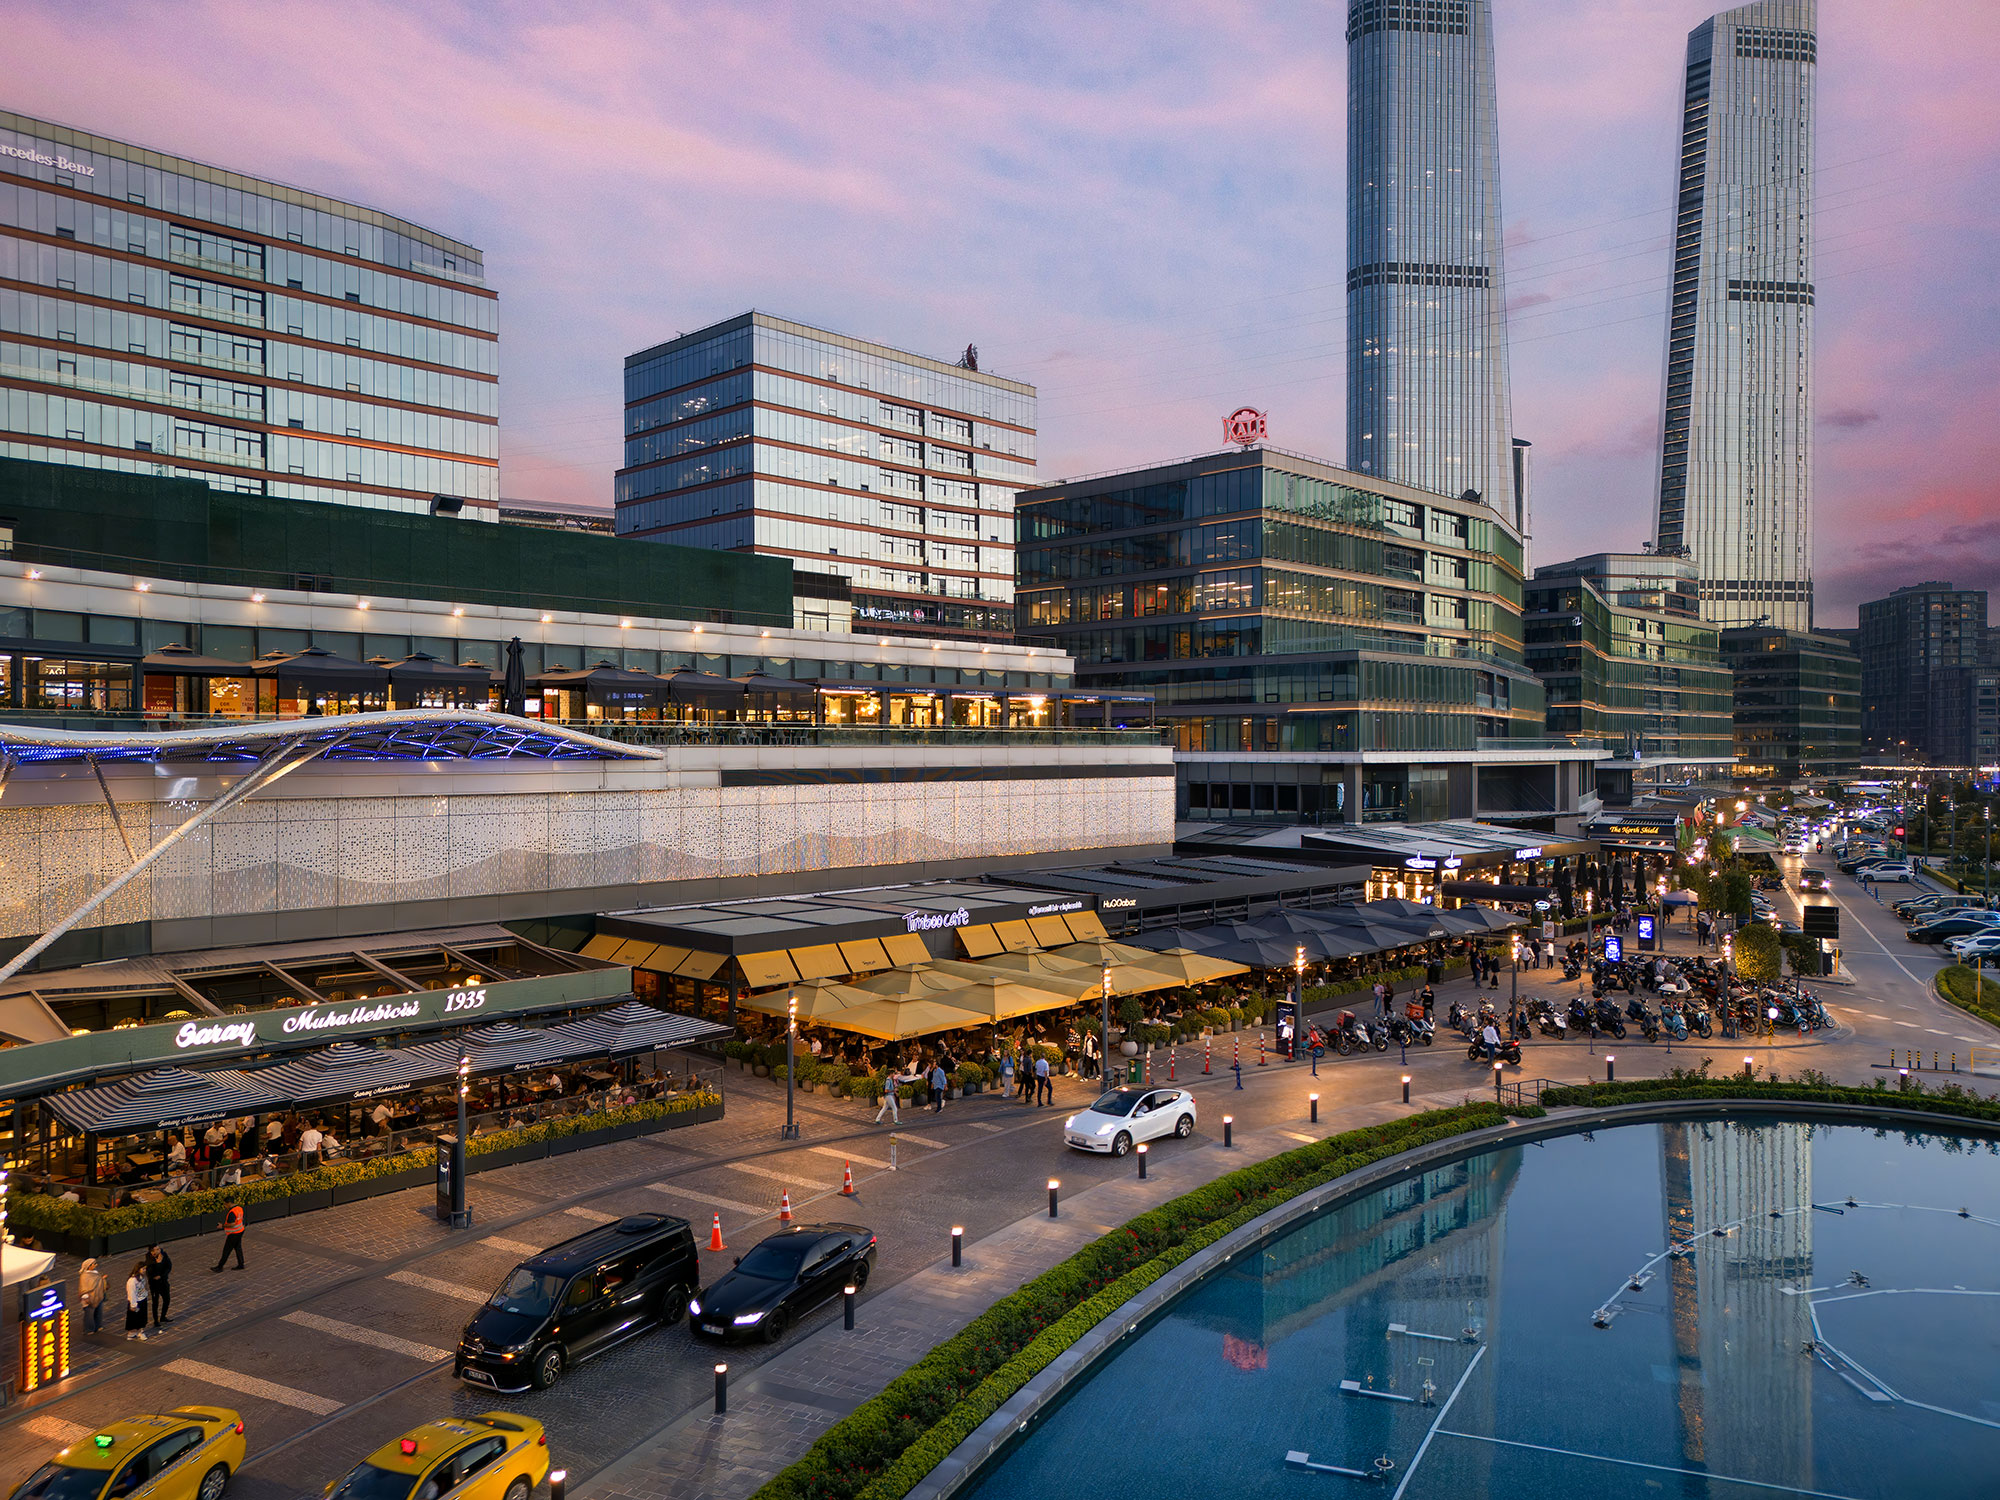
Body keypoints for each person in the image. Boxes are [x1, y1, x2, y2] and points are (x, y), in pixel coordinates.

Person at [145, 1243, 173, 1329]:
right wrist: (158, 1263)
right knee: (155, 1302)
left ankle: (163, 1316)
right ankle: (156, 1320)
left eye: (159, 1249)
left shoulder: (164, 1254)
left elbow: (169, 1266)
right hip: (154, 1284)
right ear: (152, 1252)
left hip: (163, 1281)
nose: (159, 1251)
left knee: (167, 1299)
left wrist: (162, 1275)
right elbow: (150, 1272)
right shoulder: (149, 1259)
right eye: (156, 1249)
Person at [212, 1202, 246, 1271]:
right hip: (240, 1230)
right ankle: (241, 1264)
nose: (225, 1206)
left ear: (229, 1203)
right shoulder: (239, 1208)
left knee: (227, 1250)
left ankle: (220, 1267)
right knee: (238, 1248)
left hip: (233, 1233)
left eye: (225, 1204)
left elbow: (232, 1224)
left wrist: (222, 1226)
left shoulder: (232, 1212)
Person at [78, 1258, 106, 1336]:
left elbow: (98, 1281)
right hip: (89, 1298)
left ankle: (98, 1326)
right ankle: (88, 1329)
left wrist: (102, 1280)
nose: (95, 1265)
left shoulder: (96, 1273)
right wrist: (86, 1298)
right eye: (94, 1264)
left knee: (98, 1312)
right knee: (89, 1314)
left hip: (98, 1296)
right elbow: (84, 1288)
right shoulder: (84, 1276)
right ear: (89, 1266)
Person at [123, 1264, 150, 1341]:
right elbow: (131, 1293)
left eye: (145, 1269)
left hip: (142, 1299)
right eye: (143, 1269)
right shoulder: (132, 1281)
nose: (144, 1270)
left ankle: (141, 1331)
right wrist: (133, 1304)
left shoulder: (142, 1277)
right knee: (134, 1318)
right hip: (136, 1302)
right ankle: (133, 1332)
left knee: (142, 1317)